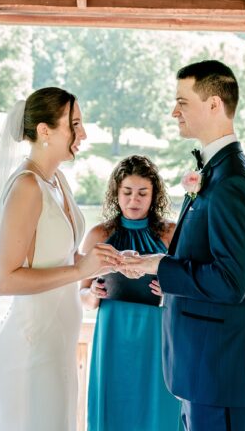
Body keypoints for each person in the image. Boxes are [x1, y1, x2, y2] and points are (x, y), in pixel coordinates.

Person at [0, 86, 121, 431]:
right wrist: (79, 268)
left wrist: (103, 262)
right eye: (74, 124)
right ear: (45, 131)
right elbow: (4, 280)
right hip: (29, 352)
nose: (84, 133)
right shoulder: (26, 187)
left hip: (57, 347)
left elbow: (58, 257)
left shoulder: (57, 181)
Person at [121, 60, 245, 431]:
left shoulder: (233, 182)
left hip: (222, 377)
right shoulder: (217, 173)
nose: (174, 111)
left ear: (214, 105)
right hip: (205, 373)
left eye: (182, 102)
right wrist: (156, 265)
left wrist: (160, 266)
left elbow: (230, 282)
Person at [81, 155, 182, 431]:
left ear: (154, 195)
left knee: (159, 410)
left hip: (157, 336)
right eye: (126, 192)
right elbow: (80, 295)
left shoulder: (170, 234)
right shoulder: (99, 235)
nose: (133, 200)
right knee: (114, 408)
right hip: (113, 337)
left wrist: (171, 288)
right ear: (116, 193)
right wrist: (93, 293)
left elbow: (191, 284)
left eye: (142, 193)